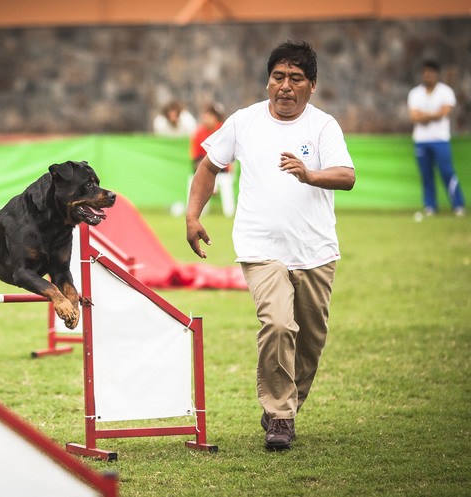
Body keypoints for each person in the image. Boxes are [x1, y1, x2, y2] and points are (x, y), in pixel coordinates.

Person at [186, 40, 355, 451]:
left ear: (311, 85)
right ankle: (280, 416)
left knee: (310, 342)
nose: (285, 85)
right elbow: (209, 166)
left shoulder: (323, 126)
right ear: (267, 81)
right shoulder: (244, 122)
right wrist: (193, 216)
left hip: (315, 250)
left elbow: (347, 176)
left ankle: (284, 403)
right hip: (260, 247)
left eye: (295, 78)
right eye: (278, 76)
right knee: (279, 324)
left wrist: (309, 175)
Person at [407, 60, 466, 216]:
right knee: (426, 176)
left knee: (447, 173)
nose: (428, 76)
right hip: (421, 141)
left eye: (431, 73)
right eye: (425, 73)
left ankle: (458, 205)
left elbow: (444, 113)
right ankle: (430, 207)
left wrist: (425, 116)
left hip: (440, 140)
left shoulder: (446, 92)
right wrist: (434, 115)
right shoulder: (415, 93)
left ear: (436, 74)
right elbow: (414, 116)